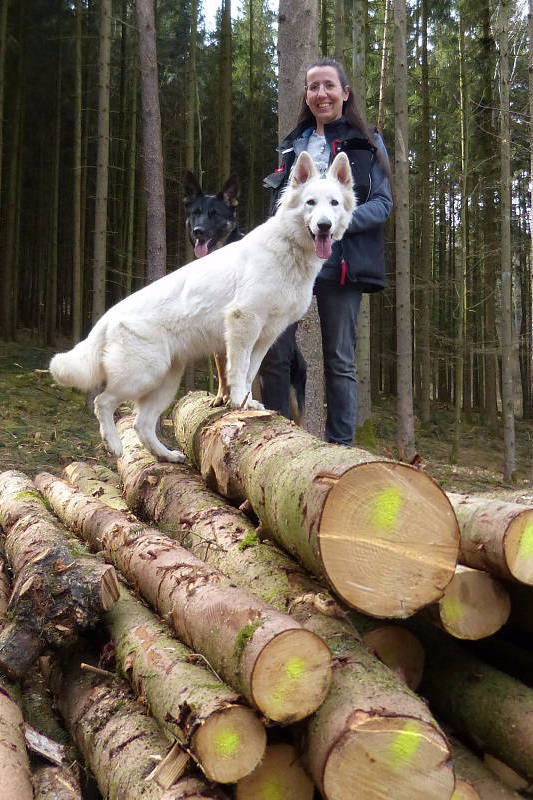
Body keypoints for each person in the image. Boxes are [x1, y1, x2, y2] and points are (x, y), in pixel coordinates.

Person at [260, 57, 393, 446]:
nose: (321, 94)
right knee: (275, 354)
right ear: (306, 95)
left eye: (329, 86)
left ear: (345, 93)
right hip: (290, 263)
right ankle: (274, 446)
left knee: (339, 361)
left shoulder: (367, 142)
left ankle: (341, 450)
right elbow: (280, 207)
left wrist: (336, 224)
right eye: (313, 87)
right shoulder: (292, 146)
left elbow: (383, 204)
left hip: (343, 261)